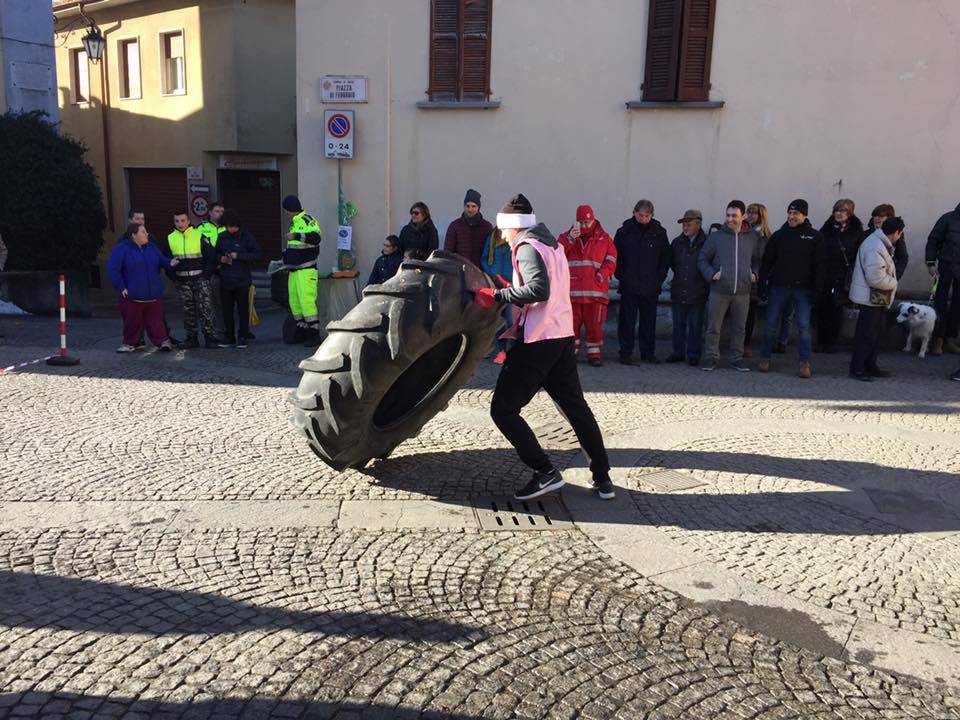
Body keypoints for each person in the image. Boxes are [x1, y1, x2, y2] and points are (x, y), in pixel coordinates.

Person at [474, 193, 614, 501]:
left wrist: (498, 296)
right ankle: (603, 479)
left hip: (537, 340)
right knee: (577, 410)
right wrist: (513, 289)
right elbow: (546, 287)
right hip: (561, 337)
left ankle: (545, 472)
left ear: (514, 227)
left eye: (503, 229)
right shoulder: (553, 244)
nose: (501, 235)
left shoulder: (526, 246)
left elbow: (538, 290)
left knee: (503, 409)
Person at [757, 199, 826, 378]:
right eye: (789, 213)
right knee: (771, 324)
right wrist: (762, 285)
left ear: (804, 215)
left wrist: (818, 290)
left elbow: (820, 266)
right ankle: (764, 357)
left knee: (803, 327)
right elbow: (767, 262)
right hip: (778, 288)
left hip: (803, 290)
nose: (791, 216)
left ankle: (805, 362)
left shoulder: (815, 237)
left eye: (795, 213)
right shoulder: (779, 236)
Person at [698, 200, 760, 372]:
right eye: (728, 215)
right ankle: (711, 358)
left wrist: (754, 273)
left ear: (743, 216)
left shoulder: (752, 238)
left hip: (742, 291)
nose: (730, 219)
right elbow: (702, 259)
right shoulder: (716, 237)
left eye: (734, 216)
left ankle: (736, 358)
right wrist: (711, 274)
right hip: (719, 290)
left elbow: (757, 260)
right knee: (713, 327)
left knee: (740, 328)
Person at [558, 205, 617, 367]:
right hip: (572, 293)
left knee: (595, 326)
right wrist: (570, 238)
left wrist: (602, 275)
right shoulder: (567, 237)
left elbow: (611, 259)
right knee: (571, 326)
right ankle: (572, 353)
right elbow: (557, 254)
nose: (584, 226)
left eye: (587, 222)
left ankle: (594, 354)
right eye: (581, 222)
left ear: (593, 220)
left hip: (595, 292)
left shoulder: (604, 238)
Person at [614, 199, 670, 364]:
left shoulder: (659, 232)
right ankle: (625, 353)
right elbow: (615, 256)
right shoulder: (624, 232)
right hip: (629, 285)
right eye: (640, 215)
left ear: (652, 215)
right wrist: (622, 276)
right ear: (634, 213)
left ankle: (648, 353)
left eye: (647, 216)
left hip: (651, 285)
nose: (643, 219)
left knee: (649, 321)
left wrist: (660, 278)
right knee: (627, 322)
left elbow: (665, 257)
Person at [108, 223, 177, 353]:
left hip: (153, 294)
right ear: (134, 235)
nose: (147, 234)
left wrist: (171, 262)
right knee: (132, 321)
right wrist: (121, 286)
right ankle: (129, 343)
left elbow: (162, 260)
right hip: (132, 295)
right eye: (143, 232)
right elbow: (114, 269)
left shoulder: (151, 247)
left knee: (156, 320)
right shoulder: (122, 249)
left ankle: (163, 341)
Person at [849, 216, 903, 381]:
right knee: (866, 335)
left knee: (874, 334)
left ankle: (869, 366)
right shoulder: (875, 246)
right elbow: (875, 278)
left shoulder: (878, 243)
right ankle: (858, 369)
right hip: (870, 298)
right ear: (895, 233)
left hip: (875, 298)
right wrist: (893, 282)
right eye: (900, 234)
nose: (900, 237)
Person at [164, 210, 220, 349]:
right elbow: (165, 260)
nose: (180, 224)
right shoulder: (170, 238)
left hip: (200, 279)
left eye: (183, 220)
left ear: (188, 221)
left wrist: (206, 276)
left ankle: (210, 338)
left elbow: (211, 257)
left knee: (205, 310)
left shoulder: (199, 235)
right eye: (177, 221)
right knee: (188, 311)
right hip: (182, 281)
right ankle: (191, 339)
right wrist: (174, 278)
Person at [817, 199, 864, 353]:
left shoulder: (856, 231)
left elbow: (858, 254)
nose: (838, 213)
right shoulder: (827, 228)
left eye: (842, 211)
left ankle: (831, 342)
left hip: (842, 277)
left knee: (837, 311)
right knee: (822, 309)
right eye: (836, 210)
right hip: (825, 275)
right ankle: (820, 341)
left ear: (849, 213)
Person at [666, 209, 709, 365]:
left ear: (698, 224)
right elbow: (672, 263)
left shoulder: (707, 242)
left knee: (695, 325)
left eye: (688, 225)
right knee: (678, 324)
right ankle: (678, 352)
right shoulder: (677, 242)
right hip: (679, 288)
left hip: (698, 291)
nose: (685, 228)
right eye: (684, 225)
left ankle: (693, 354)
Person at [214, 210, 261, 349]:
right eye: (227, 226)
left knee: (243, 310)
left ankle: (242, 336)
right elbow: (215, 254)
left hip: (242, 280)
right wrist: (221, 259)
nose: (229, 229)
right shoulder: (222, 237)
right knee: (226, 310)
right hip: (226, 279)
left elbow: (257, 254)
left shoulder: (247, 237)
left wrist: (238, 256)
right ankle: (229, 336)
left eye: (231, 226)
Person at [282, 194, 322, 346]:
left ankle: (314, 333)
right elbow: (295, 248)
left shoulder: (307, 220)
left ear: (291, 210)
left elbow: (316, 238)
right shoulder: (294, 223)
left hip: (306, 270)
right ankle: (302, 330)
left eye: (286, 211)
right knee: (295, 302)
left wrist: (296, 235)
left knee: (307, 302)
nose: (285, 214)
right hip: (294, 270)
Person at [743, 203, 779, 357]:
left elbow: (764, 259)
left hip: (755, 280)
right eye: (748, 212)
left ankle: (746, 344)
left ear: (761, 216)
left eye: (754, 213)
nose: (750, 215)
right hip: (739, 276)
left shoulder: (765, 236)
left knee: (749, 314)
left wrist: (757, 274)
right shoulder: (742, 231)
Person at [925, 201, 960, 356]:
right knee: (940, 302)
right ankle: (937, 339)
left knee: (958, 305)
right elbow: (933, 239)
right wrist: (931, 262)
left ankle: (951, 339)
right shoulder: (948, 218)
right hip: (946, 266)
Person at [481, 227, 513, 363]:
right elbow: (484, 259)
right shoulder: (492, 238)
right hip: (495, 285)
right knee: (498, 321)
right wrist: (492, 276)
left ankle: (511, 351)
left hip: (511, 285)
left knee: (511, 321)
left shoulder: (513, 240)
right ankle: (502, 351)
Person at [443, 189, 493, 267]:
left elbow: (491, 252)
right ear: (464, 206)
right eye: (468, 206)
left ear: (478, 208)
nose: (470, 209)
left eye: (473, 206)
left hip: (480, 271)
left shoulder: (487, 227)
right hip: (459, 271)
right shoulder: (454, 226)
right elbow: (448, 252)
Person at [866, 204, 909, 280]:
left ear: (889, 218)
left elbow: (903, 257)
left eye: (881, 216)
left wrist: (895, 276)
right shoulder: (866, 235)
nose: (876, 218)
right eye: (875, 216)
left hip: (888, 278)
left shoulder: (897, 235)